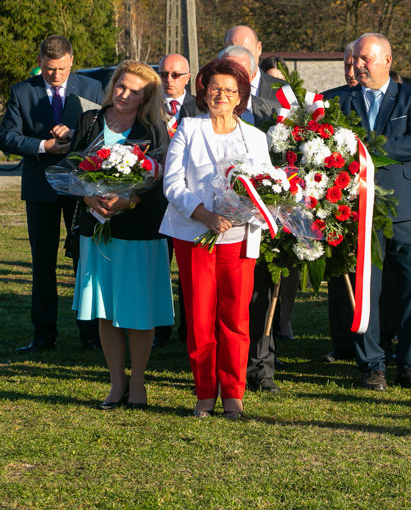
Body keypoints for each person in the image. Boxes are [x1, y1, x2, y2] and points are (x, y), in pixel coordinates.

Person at [160, 58, 272, 419]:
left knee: (237, 319)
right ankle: (205, 393)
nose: (221, 95)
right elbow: (172, 183)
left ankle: (233, 393)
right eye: (215, 89)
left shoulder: (255, 137)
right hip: (194, 236)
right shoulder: (188, 129)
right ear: (204, 93)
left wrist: (248, 210)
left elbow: (267, 187)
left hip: (239, 240)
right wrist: (203, 214)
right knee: (200, 319)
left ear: (241, 97)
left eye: (230, 90)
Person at [66, 61, 173, 409]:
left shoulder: (155, 129)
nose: (124, 94)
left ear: (147, 97)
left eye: (134, 91)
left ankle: (138, 382)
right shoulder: (90, 121)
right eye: (120, 86)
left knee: (138, 311)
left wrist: (129, 199)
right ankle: (116, 382)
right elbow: (70, 169)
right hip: (96, 229)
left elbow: (161, 181)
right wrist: (87, 195)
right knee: (105, 308)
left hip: (138, 231)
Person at [335, 33, 411, 392]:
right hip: (358, 210)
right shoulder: (338, 100)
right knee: (367, 290)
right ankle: (373, 365)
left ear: (387, 60)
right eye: (356, 58)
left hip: (404, 209)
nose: (358, 65)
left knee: (410, 288)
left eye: (366, 59)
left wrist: (368, 151)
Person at [0, 35, 104, 353]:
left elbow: (103, 134)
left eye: (60, 68)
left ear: (71, 59)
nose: (55, 75)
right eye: (48, 69)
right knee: (42, 262)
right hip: (40, 188)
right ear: (40, 63)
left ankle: (90, 333)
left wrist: (75, 136)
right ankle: (43, 334)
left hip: (80, 189)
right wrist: (43, 146)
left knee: (84, 261)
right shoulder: (22, 91)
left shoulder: (92, 89)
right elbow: (6, 137)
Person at [218, 43, 293, 393]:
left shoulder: (271, 113)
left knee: (263, 294)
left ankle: (262, 368)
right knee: (224, 297)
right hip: (216, 222)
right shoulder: (199, 113)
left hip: (261, 221)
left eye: (237, 73)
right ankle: (222, 365)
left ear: (250, 76)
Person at [154, 53, 198, 347]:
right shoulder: (147, 106)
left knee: (188, 272)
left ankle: (188, 329)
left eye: (175, 74)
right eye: (164, 74)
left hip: (187, 201)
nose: (168, 80)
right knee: (158, 268)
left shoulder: (199, 108)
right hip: (154, 200)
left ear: (187, 77)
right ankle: (159, 330)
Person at [320, 41, 359, 364]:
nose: (350, 71)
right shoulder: (330, 99)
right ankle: (341, 341)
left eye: (355, 64)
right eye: (346, 64)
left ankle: (372, 338)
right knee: (338, 271)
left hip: (370, 198)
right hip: (335, 199)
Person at [224, 25, 280, 102]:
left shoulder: (282, 91)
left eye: (246, 51)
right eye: (233, 51)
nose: (239, 58)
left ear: (259, 49)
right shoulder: (210, 92)